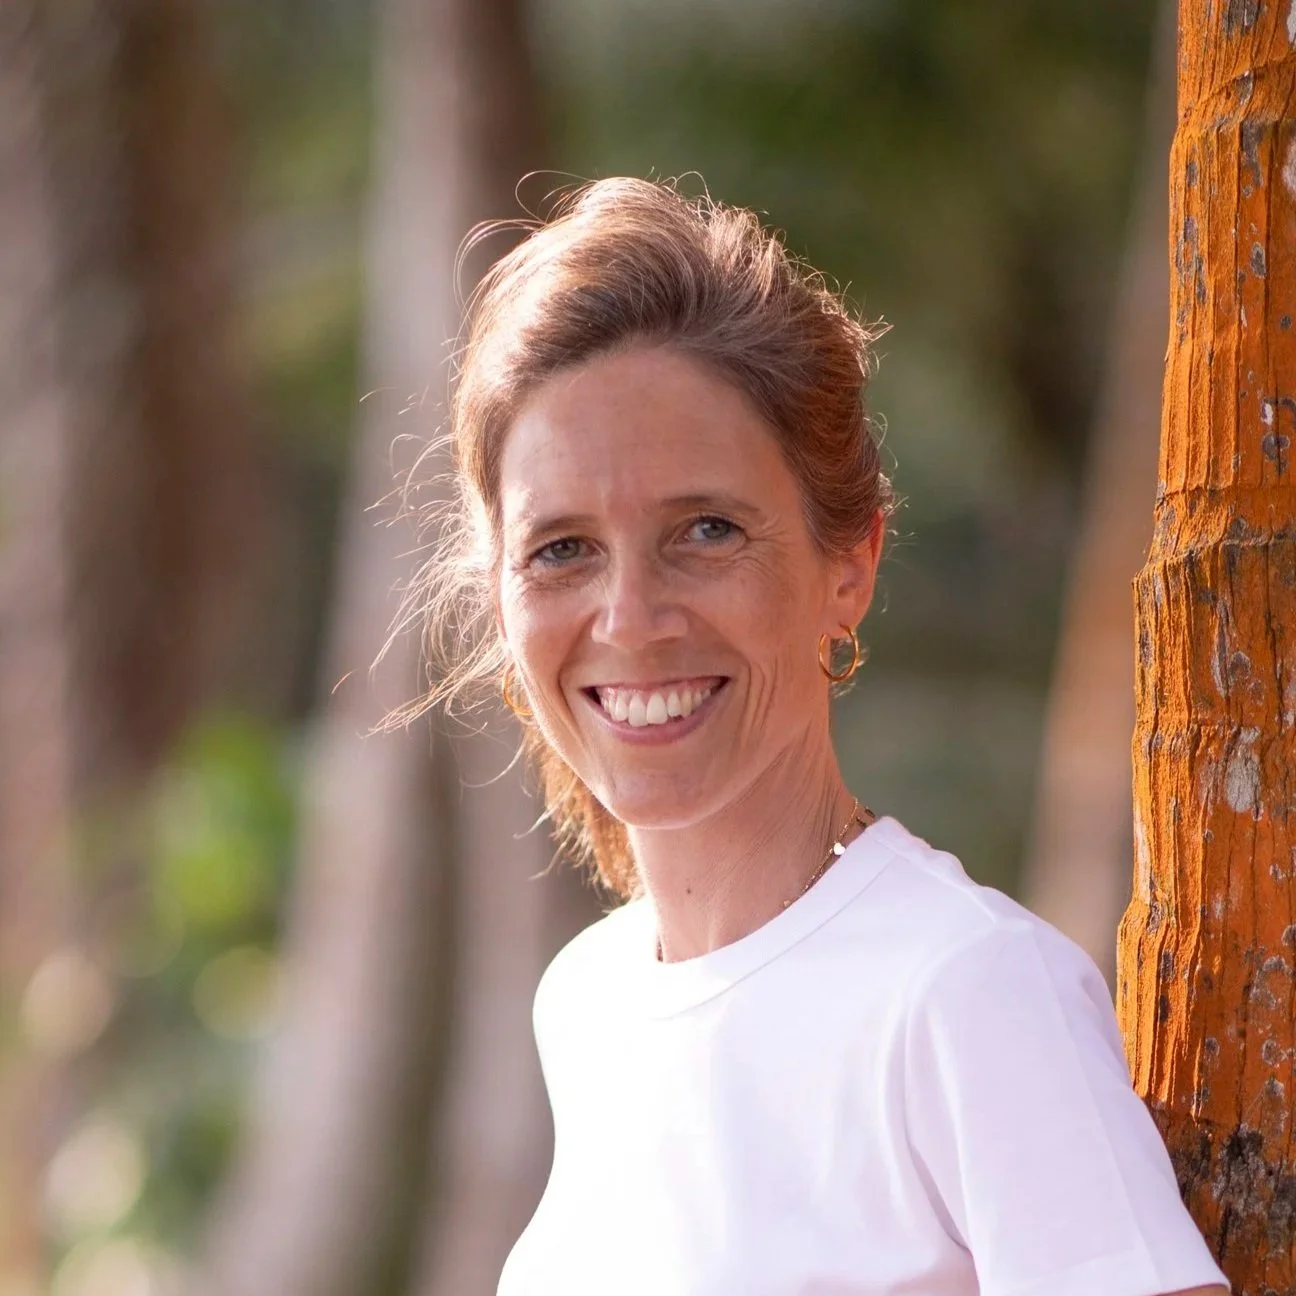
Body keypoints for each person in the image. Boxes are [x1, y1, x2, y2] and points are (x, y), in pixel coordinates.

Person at [402, 178, 1230, 1296]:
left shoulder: (969, 995)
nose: (630, 619)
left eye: (706, 531)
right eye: (561, 548)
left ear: (849, 566)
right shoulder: (590, 1003)